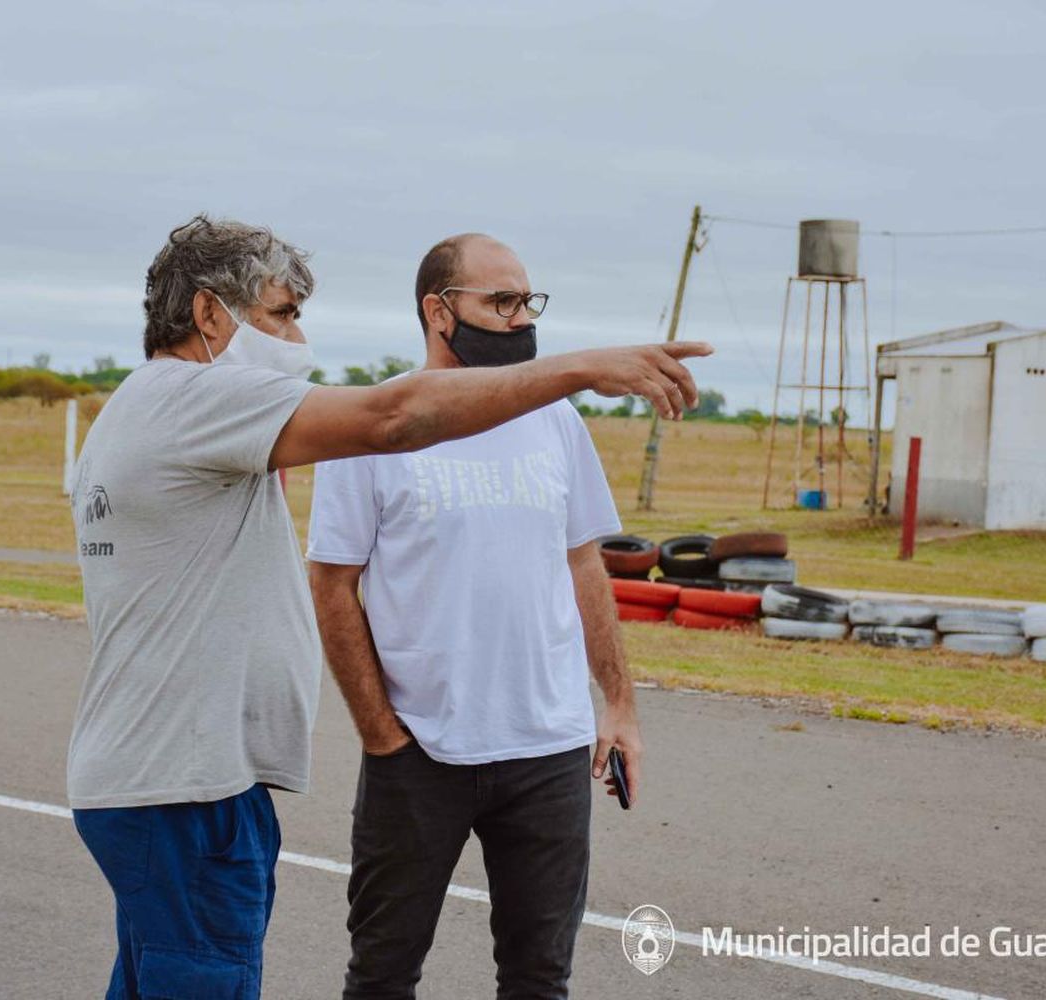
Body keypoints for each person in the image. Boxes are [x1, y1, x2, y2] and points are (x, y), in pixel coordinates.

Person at [67, 214, 709, 1000]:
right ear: (208, 315)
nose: (299, 339)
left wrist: (615, 700)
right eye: (282, 313)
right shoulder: (193, 402)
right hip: (187, 791)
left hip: (172, 780)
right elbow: (392, 419)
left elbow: (579, 560)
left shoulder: (150, 410)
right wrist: (583, 368)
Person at [307, 233, 651, 999]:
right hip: (420, 752)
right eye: (500, 302)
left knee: (538, 978)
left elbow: (583, 563)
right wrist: (381, 735)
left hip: (549, 750)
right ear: (438, 311)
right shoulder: (376, 426)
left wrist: (619, 705)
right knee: (383, 975)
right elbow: (333, 584)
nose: (522, 319)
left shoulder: (556, 421)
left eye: (529, 301)